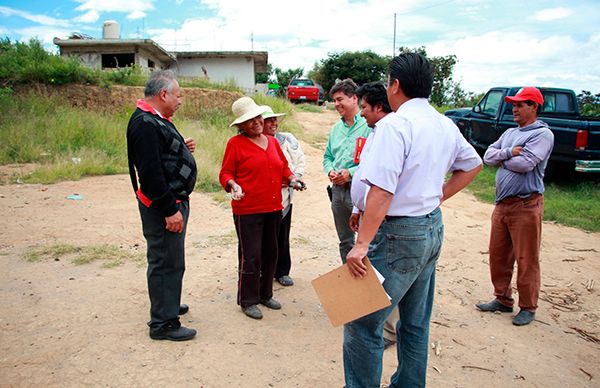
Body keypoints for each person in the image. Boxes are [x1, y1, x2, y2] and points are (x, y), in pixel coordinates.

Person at [343, 53, 483, 387]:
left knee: (361, 322)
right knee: (415, 322)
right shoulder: (442, 123)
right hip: (429, 227)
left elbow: (382, 190)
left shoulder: (396, 124)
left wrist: (361, 244)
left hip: (397, 233)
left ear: (395, 85)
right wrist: (439, 195)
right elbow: (473, 164)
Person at [126, 70, 198, 341]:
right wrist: (170, 210)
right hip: (164, 206)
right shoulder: (145, 123)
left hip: (171, 202)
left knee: (171, 259)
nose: (180, 100)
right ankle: (163, 323)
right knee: (166, 261)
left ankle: (168, 303)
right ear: (163, 94)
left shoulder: (156, 119)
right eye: (178, 95)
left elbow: (160, 154)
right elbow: (151, 174)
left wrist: (181, 146)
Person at [219, 97, 304, 320]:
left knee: (271, 252)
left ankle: (266, 294)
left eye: (257, 117)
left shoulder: (272, 142)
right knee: (251, 255)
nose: (256, 122)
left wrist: (293, 179)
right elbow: (225, 173)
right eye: (249, 120)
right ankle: (248, 300)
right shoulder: (235, 144)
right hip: (247, 209)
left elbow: (284, 168)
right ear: (241, 126)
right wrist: (233, 184)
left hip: (273, 207)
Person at [476, 87, 554, 326]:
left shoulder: (542, 134)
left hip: (526, 204)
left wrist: (503, 159)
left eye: (520, 104)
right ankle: (502, 299)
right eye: (514, 104)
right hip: (503, 205)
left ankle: (528, 306)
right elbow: (488, 156)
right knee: (498, 254)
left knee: (526, 257)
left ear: (534, 107)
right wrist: (509, 152)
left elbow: (526, 163)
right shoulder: (510, 133)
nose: (514, 109)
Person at [352, 81, 398, 350]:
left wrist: (363, 240)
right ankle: (378, 323)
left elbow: (383, 186)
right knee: (376, 272)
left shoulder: (390, 131)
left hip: (383, 217)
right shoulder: (376, 131)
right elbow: (366, 173)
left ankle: (388, 330)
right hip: (369, 213)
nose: (362, 113)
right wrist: (358, 207)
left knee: (385, 276)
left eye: (365, 107)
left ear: (379, 107)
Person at [322, 79, 371, 262]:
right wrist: (330, 171)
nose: (336, 104)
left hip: (358, 191)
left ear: (354, 98)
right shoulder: (336, 129)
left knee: (365, 240)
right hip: (337, 192)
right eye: (334, 100)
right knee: (345, 240)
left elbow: (374, 161)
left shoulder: (369, 125)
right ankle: (350, 281)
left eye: (340, 99)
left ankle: (369, 282)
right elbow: (327, 157)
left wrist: (349, 172)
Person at [262, 106, 306, 287]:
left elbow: (299, 162)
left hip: (285, 196)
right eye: (268, 120)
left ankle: (282, 271)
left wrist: (293, 180)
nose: (273, 123)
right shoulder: (253, 142)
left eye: (274, 120)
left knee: (282, 234)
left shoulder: (287, 140)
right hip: (262, 198)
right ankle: (262, 270)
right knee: (263, 235)